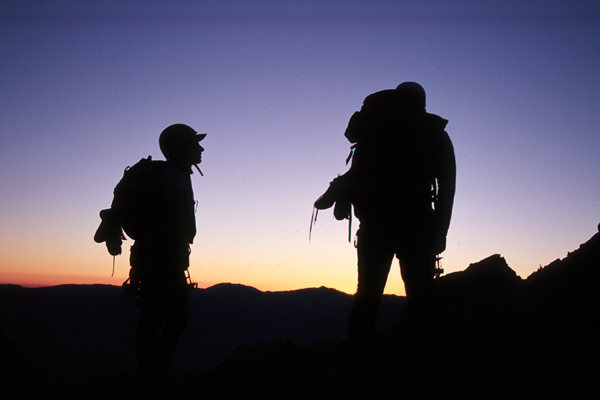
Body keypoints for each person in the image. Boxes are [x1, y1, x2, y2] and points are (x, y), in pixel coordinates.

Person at [314, 82, 456, 349]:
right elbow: (448, 187)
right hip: (417, 227)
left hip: (374, 226)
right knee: (420, 298)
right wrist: (441, 232)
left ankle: (357, 361)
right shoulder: (432, 133)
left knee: (367, 297)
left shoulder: (376, 131)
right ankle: (422, 360)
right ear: (422, 102)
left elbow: (360, 173)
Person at [95, 123, 205, 392]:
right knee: (167, 321)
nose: (200, 148)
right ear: (181, 147)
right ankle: (153, 378)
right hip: (162, 260)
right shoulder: (174, 177)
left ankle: (152, 375)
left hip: (154, 259)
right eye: (194, 143)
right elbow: (169, 219)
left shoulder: (171, 174)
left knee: (157, 319)